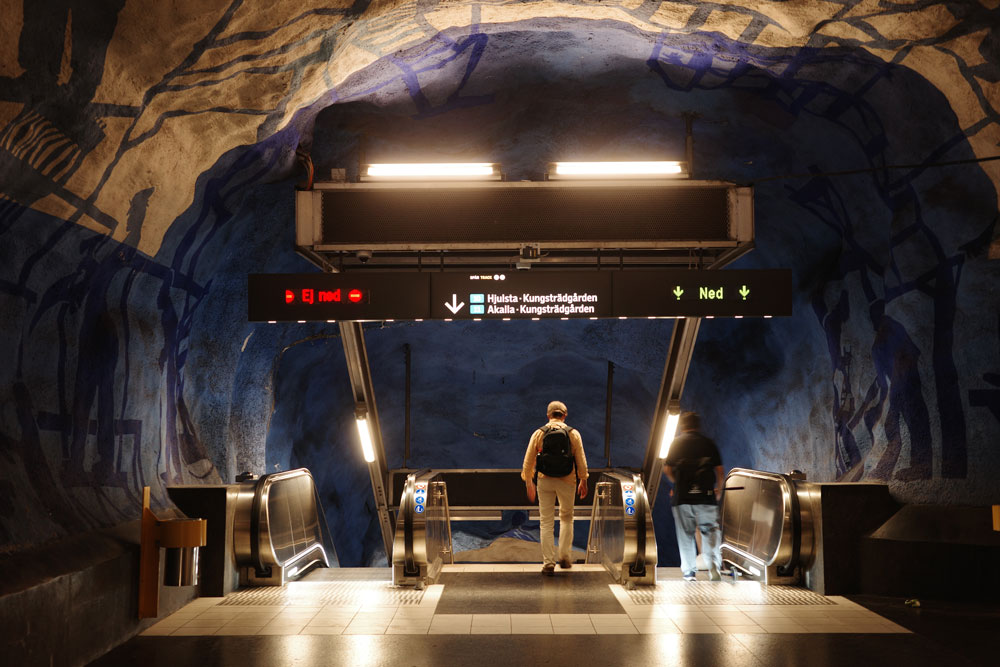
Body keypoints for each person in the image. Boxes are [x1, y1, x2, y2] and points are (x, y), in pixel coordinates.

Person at [522, 400, 589, 575]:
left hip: (544, 481)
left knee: (546, 522)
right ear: (565, 415)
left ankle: (548, 563)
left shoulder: (539, 433)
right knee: (567, 517)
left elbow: (528, 461)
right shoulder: (573, 434)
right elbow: (581, 460)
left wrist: (529, 481)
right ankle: (565, 557)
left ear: (548, 415)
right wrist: (584, 480)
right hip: (567, 481)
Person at [663, 411, 724, 581]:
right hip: (707, 496)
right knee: (710, 530)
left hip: (682, 497)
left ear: (683, 426)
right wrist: (718, 489)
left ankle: (689, 572)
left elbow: (667, 469)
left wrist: (676, 484)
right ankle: (713, 566)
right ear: (698, 426)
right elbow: (719, 471)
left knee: (686, 534)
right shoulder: (709, 444)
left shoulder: (676, 443)